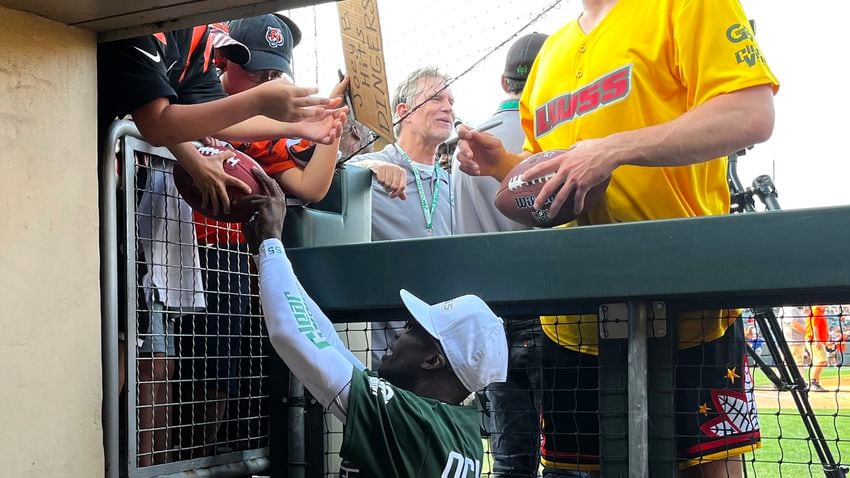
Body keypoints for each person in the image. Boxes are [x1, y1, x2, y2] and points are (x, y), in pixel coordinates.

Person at [457, 0, 779, 475]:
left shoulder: (685, 6)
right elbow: (561, 184)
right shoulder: (553, 53)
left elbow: (751, 113)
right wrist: (506, 166)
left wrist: (616, 149)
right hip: (574, 323)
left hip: (685, 312)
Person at [99, 23, 346, 466]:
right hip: (109, 207)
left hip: (150, 231)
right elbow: (155, 121)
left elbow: (215, 116)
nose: (263, 82)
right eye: (253, 72)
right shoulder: (152, 22)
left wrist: (306, 127)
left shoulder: (197, 44)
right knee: (138, 357)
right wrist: (195, 155)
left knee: (160, 361)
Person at [241, 166, 508, 477]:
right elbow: (325, 340)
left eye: (412, 330)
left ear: (434, 360)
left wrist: (271, 241)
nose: (397, 336)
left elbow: (293, 335)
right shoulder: (454, 425)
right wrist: (268, 253)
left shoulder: (410, 421)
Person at [177, 14, 349, 457]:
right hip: (181, 250)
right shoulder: (191, 86)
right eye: (254, 70)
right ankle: (187, 459)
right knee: (181, 367)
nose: (263, 81)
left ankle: (209, 459)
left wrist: (331, 124)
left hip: (234, 258)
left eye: (273, 73)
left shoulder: (265, 126)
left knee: (229, 373)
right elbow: (167, 122)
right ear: (224, 59)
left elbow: (311, 187)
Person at [451, 33, 550, 477]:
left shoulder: (467, 146)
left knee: (511, 459)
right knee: (572, 452)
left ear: (503, 79)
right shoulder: (551, 133)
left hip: (491, 320)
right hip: (553, 316)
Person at [348, 67, 456, 368]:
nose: (448, 107)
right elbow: (318, 186)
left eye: (451, 100)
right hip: (385, 354)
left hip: (443, 354)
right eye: (436, 98)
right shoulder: (369, 170)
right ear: (404, 112)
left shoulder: (452, 185)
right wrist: (367, 168)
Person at [807, 305, 830, 392]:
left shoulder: (819, 312)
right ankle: (813, 383)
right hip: (813, 340)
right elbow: (814, 326)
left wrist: (825, 341)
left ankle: (815, 382)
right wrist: (817, 340)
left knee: (819, 361)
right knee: (821, 360)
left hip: (816, 340)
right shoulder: (816, 311)